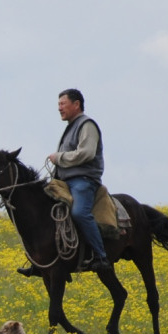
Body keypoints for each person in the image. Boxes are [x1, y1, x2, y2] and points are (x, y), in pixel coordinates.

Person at [47, 88, 109, 272]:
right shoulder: (71, 126)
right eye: (58, 104)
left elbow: (87, 153)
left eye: (62, 103)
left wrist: (59, 158)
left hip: (83, 180)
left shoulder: (86, 125)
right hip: (65, 181)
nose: (59, 108)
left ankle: (101, 256)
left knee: (79, 213)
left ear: (76, 104)